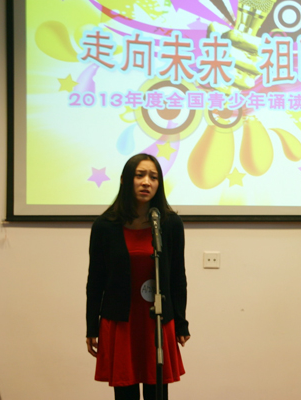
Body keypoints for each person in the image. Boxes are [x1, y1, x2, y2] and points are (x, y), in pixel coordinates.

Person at [86, 154, 190, 400]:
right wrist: (91, 325)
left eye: (153, 177)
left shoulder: (170, 224)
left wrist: (181, 322)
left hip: (157, 320)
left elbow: (178, 277)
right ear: (125, 180)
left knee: (157, 391)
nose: (146, 182)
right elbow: (95, 281)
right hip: (122, 321)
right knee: (126, 392)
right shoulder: (104, 226)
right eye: (140, 175)